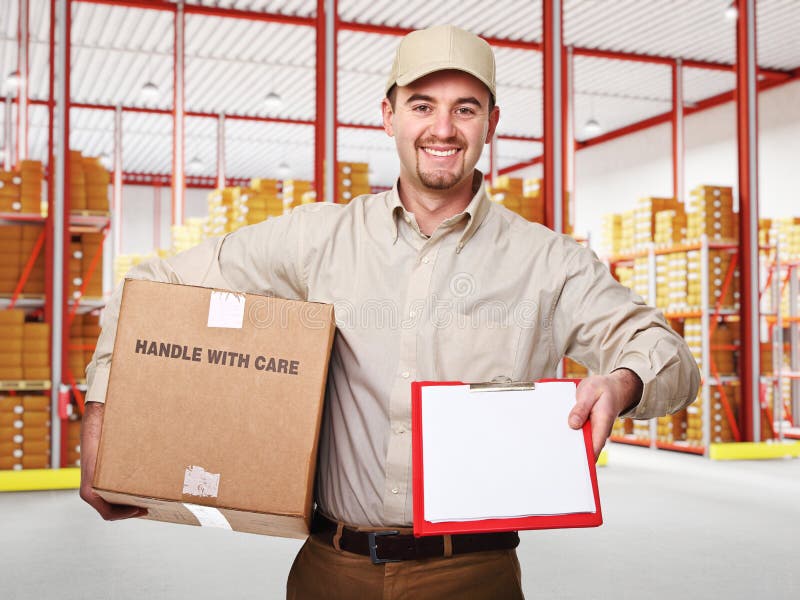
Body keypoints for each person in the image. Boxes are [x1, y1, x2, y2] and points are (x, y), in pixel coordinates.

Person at [80, 24, 700, 600]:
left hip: (473, 574)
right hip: (331, 568)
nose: (443, 128)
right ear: (388, 115)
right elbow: (150, 286)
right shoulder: (317, 239)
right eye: (422, 105)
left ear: (491, 123)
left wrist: (622, 382)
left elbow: (667, 353)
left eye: (466, 109)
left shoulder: (549, 262)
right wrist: (103, 420)